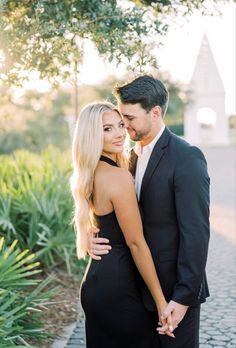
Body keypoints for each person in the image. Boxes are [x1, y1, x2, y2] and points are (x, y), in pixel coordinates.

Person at [89, 75, 210, 348]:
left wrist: (182, 298)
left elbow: (197, 234)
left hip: (172, 293)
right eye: (121, 119)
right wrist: (89, 235)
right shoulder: (127, 158)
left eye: (129, 118)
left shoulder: (186, 157)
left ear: (155, 113)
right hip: (133, 291)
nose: (124, 126)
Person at [70, 101, 174, 348]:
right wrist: (161, 302)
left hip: (97, 281)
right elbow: (136, 243)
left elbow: (94, 220)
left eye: (120, 125)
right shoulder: (117, 176)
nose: (119, 133)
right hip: (118, 286)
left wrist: (86, 239)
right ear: (91, 135)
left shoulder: (91, 172)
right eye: (107, 129)